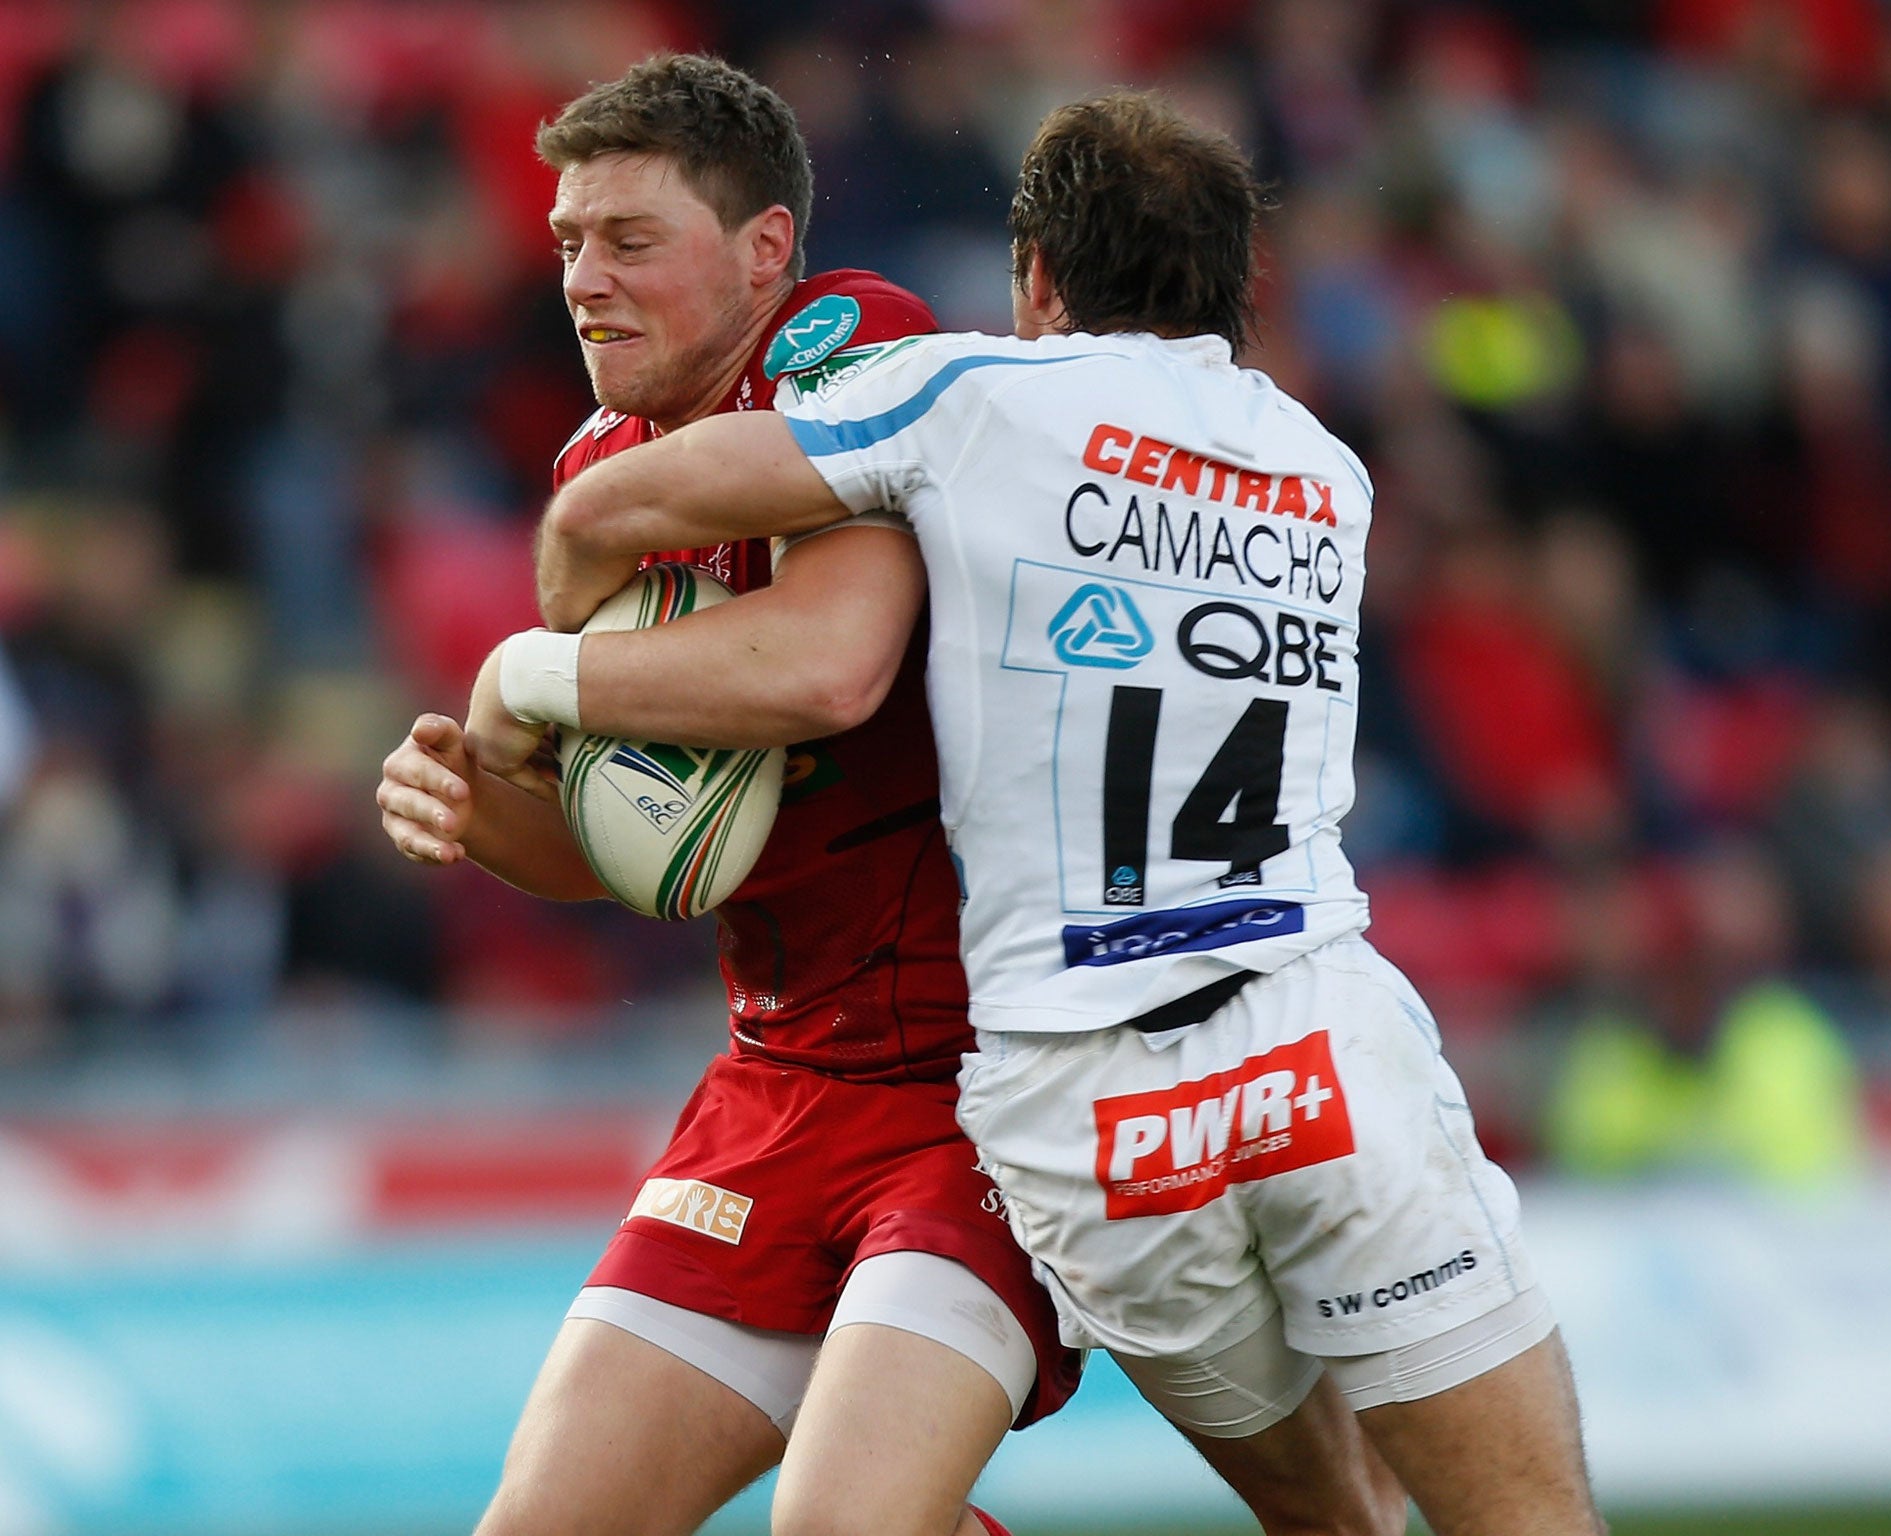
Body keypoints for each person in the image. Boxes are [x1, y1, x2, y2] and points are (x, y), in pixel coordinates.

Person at [493, 91, 1607, 1536]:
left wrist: (546, 656)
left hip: (1084, 1098)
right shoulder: (1330, 473)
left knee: (1318, 1511)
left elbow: (643, 528)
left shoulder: (973, 402)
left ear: (1034, 281)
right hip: (1308, 1031)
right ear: (1237, 292)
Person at [374, 54, 1080, 1536]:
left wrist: (530, 677)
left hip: (984, 1087)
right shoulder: (598, 467)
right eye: (569, 243)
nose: (583, 281)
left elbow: (828, 670)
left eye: (631, 241)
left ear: (766, 250)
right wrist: (473, 800)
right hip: (775, 1088)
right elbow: (630, 844)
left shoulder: (849, 349)